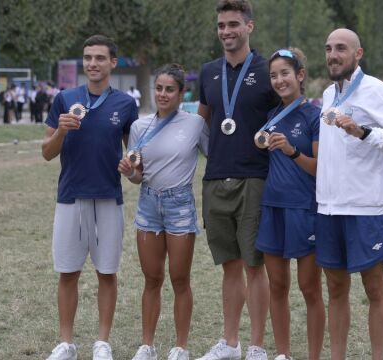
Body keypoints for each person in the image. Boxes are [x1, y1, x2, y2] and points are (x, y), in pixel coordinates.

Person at [316, 29, 383, 360]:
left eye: (341, 49)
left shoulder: (376, 90)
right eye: (329, 49)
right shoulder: (329, 94)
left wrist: (364, 132)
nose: (333, 55)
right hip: (328, 209)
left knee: (373, 289)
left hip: (365, 209)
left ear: (358, 54)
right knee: (335, 290)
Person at [41, 34, 138, 360]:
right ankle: (66, 343)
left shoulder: (125, 104)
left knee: (107, 272)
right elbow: (46, 153)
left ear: (113, 62)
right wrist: (62, 131)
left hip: (109, 199)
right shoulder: (65, 98)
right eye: (88, 58)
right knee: (68, 272)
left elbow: (135, 161)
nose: (93, 64)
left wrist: (132, 172)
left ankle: (102, 343)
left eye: (100, 58)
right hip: (70, 197)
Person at [196, 1, 278, 359]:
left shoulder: (268, 70)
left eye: (233, 24)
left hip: (255, 177)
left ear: (250, 27)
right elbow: (200, 124)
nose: (226, 31)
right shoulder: (208, 72)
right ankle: (230, 343)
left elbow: (285, 118)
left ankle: (257, 346)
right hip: (215, 178)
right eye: (221, 25)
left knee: (254, 265)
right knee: (229, 265)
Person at [118, 64, 209, 360]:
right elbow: (137, 175)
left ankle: (181, 346)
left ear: (182, 93)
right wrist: (128, 172)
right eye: (159, 88)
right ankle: (147, 345)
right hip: (148, 204)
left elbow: (215, 155)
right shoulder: (139, 127)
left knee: (179, 278)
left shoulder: (195, 123)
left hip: (180, 204)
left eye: (170, 89)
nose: (163, 94)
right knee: (151, 278)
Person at [254, 48, 325, 360]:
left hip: (304, 210)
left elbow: (320, 168)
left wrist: (292, 152)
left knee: (309, 289)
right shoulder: (271, 117)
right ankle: (283, 354)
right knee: (278, 286)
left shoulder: (314, 116)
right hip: (272, 208)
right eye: (274, 75)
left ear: (300, 75)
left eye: (285, 73)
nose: (279, 80)